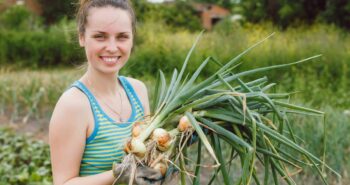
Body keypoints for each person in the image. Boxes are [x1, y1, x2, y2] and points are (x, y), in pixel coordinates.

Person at [49, 0, 176, 184]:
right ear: (82, 37)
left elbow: (148, 157)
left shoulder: (138, 91)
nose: (111, 47)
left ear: (132, 39)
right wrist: (117, 174)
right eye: (100, 36)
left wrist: (176, 141)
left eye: (122, 37)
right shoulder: (74, 105)